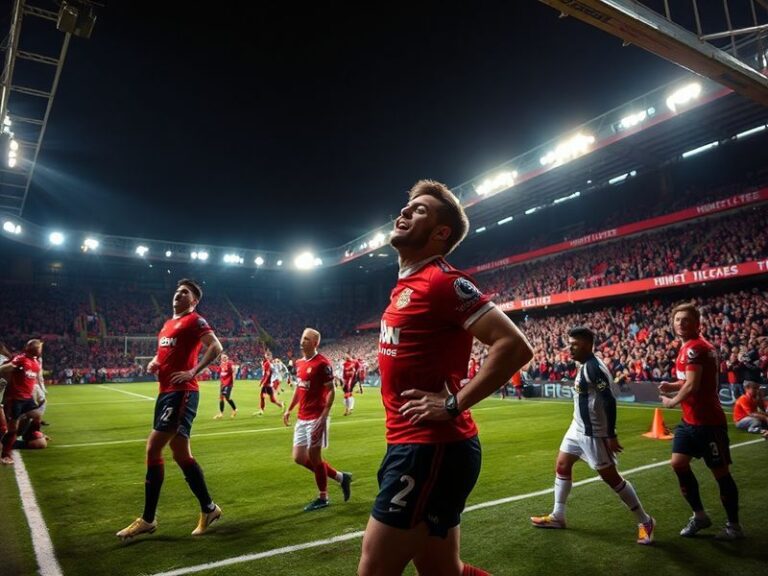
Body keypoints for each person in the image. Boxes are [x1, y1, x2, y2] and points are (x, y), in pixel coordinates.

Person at [358, 179, 533, 576]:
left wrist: (453, 403)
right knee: (443, 571)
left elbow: (514, 345)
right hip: (413, 445)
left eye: (419, 210)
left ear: (441, 233)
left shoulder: (442, 281)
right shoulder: (407, 284)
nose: (404, 212)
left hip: (430, 450)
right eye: (407, 206)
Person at [116, 278, 224, 540]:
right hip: (165, 393)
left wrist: (192, 371)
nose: (178, 294)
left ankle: (148, 519)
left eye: (184, 292)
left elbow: (216, 347)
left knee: (153, 447)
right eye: (177, 291)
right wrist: (154, 362)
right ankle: (209, 508)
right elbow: (163, 354)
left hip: (181, 393)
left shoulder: (195, 320)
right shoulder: (167, 325)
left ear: (194, 301)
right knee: (180, 454)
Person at [530, 327, 655, 545]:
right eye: (569, 343)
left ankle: (645, 521)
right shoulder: (584, 365)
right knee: (562, 464)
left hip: (594, 433)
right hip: (576, 428)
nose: (570, 348)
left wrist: (611, 434)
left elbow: (609, 400)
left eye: (574, 344)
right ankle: (558, 516)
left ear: (587, 345)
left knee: (612, 478)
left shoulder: (594, 368)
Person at [658, 302, 743, 540]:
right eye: (677, 320)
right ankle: (700, 516)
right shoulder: (689, 348)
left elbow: (693, 386)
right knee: (678, 463)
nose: (680, 323)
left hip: (708, 423)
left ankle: (734, 527)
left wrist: (671, 401)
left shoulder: (695, 348)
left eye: (686, 320)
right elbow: (690, 380)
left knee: (721, 474)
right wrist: (672, 384)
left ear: (697, 323)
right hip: (690, 421)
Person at [283, 328, 352, 511]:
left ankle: (323, 497)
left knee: (314, 457)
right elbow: (300, 389)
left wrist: (324, 417)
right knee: (299, 457)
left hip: (317, 417)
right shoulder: (299, 363)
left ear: (315, 343)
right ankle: (341, 477)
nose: (302, 341)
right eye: (302, 338)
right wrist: (289, 409)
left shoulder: (323, 363)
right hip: (302, 416)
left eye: (306, 339)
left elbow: (331, 390)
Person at [0, 339, 44, 465]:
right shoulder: (21, 358)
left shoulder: (35, 361)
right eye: (39, 348)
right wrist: (9, 368)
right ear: (33, 349)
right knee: (13, 429)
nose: (41, 350)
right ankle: (5, 455)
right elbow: (4, 368)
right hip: (16, 399)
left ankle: (32, 433)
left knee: (37, 416)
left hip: (27, 398)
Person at [213, 353, 237, 419]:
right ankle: (221, 413)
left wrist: (233, 382)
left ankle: (235, 409)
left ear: (227, 357)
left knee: (227, 397)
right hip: (222, 384)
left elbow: (234, 371)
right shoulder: (221, 364)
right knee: (221, 398)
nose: (224, 358)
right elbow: (219, 372)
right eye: (222, 357)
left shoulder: (230, 363)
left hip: (228, 383)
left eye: (225, 357)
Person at [342, 352, 356, 416]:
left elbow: (353, 372)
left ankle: (348, 410)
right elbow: (344, 374)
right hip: (347, 381)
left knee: (347, 396)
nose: (345, 357)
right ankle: (350, 409)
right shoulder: (345, 364)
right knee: (348, 396)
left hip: (349, 382)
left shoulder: (352, 363)